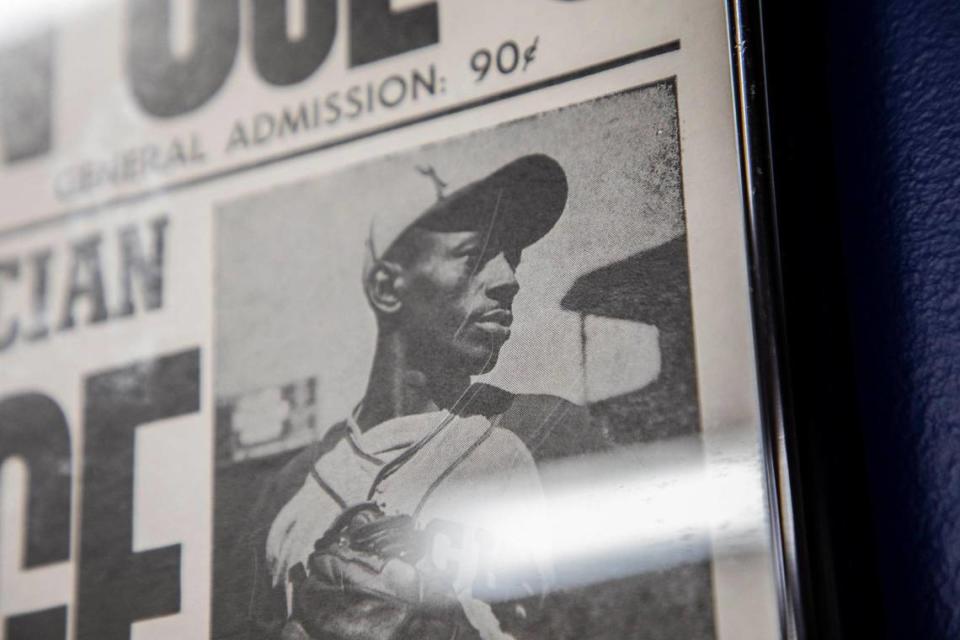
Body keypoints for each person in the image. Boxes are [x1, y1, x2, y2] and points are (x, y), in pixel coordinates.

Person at [228, 154, 603, 640]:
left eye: (511, 257)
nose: (508, 279)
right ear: (387, 288)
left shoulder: (551, 435)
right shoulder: (289, 490)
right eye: (474, 255)